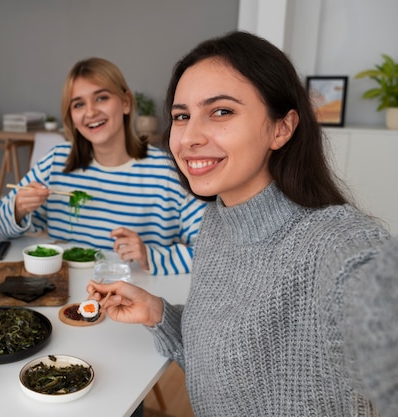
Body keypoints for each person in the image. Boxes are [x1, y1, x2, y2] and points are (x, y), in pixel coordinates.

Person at [87, 31, 393, 416]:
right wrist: (159, 313)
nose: (189, 138)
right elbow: (224, 366)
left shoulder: (339, 245)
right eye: (182, 116)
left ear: (281, 128)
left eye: (221, 111)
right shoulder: (217, 219)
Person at [0, 57, 206, 275]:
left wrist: (149, 255)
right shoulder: (56, 163)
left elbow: (211, 251)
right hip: (65, 292)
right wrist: (18, 208)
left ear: (125, 103)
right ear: (71, 116)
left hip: (132, 295)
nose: (90, 112)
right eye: (78, 104)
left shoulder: (167, 172)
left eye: (101, 98)